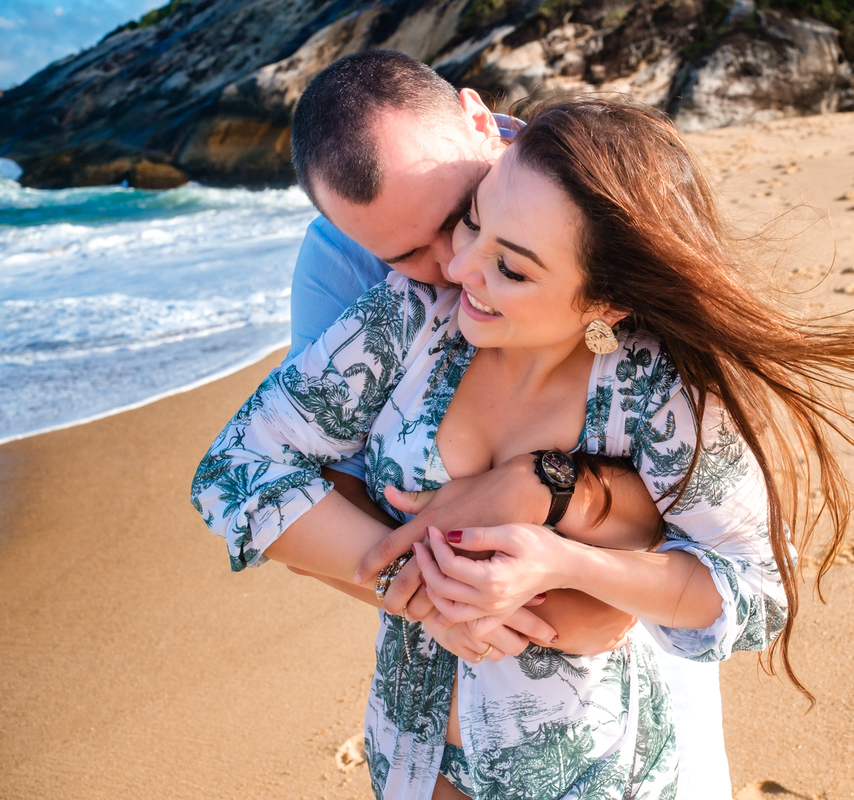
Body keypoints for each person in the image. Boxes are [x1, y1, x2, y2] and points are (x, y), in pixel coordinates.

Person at [279, 51, 737, 799]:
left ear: (478, 118)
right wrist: (451, 604)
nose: (454, 264)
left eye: (464, 215)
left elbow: (705, 497)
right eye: (405, 255)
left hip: (630, 679)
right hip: (442, 689)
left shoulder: (617, 198)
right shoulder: (342, 265)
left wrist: (555, 491)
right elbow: (309, 497)